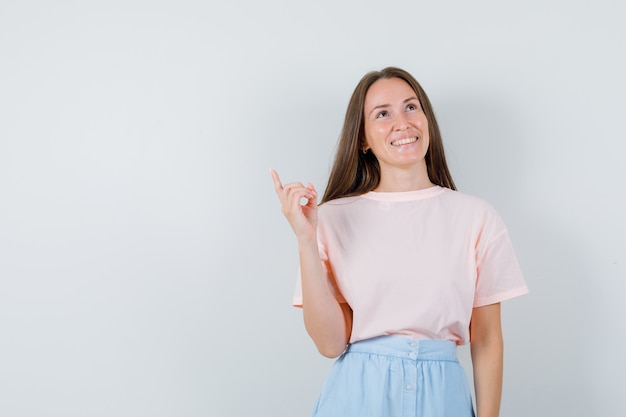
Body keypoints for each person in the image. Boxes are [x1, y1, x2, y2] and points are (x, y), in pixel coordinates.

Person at [270, 67, 528, 417]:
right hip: (356, 397)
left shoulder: (476, 218)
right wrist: (305, 240)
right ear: (362, 139)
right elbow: (330, 344)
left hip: (444, 397)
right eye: (383, 114)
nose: (402, 122)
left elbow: (486, 340)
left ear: (426, 120)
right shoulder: (330, 218)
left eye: (411, 107)